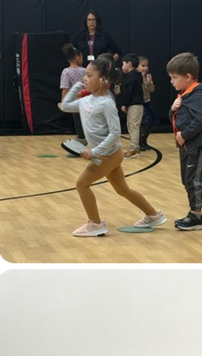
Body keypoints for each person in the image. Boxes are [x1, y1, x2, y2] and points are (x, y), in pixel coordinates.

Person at [59, 54, 166, 237]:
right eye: (85, 74)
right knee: (123, 189)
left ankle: (95, 223)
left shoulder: (107, 103)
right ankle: (153, 215)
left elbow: (115, 133)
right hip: (107, 155)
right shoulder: (86, 101)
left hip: (108, 154)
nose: (85, 78)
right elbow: (65, 105)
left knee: (81, 184)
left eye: (89, 75)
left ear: (102, 80)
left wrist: (95, 151)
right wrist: (77, 85)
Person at [167, 51, 202, 231]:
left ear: (188, 77)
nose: (172, 81)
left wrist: (184, 135)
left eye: (174, 77)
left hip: (196, 145)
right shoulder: (185, 94)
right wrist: (172, 109)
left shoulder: (196, 95)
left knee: (194, 180)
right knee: (186, 180)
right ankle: (194, 212)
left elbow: (201, 120)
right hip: (186, 145)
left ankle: (196, 215)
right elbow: (176, 117)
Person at [60, 43, 86, 141]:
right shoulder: (85, 70)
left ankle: (81, 137)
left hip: (74, 100)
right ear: (77, 57)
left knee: (78, 121)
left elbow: (65, 88)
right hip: (86, 98)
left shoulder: (66, 72)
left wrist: (63, 102)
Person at [120, 53, 144, 158]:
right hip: (135, 105)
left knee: (133, 126)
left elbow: (128, 92)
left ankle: (133, 148)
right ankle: (135, 147)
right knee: (132, 126)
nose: (122, 66)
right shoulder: (136, 76)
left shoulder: (131, 77)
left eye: (123, 64)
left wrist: (124, 103)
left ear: (129, 64)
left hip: (135, 105)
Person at [138, 56, 158, 151]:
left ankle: (144, 140)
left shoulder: (147, 77)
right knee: (144, 123)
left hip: (147, 102)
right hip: (140, 103)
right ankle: (139, 141)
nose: (145, 68)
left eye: (147, 66)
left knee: (151, 122)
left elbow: (152, 89)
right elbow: (140, 90)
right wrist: (144, 82)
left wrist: (149, 83)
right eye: (143, 65)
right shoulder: (137, 77)